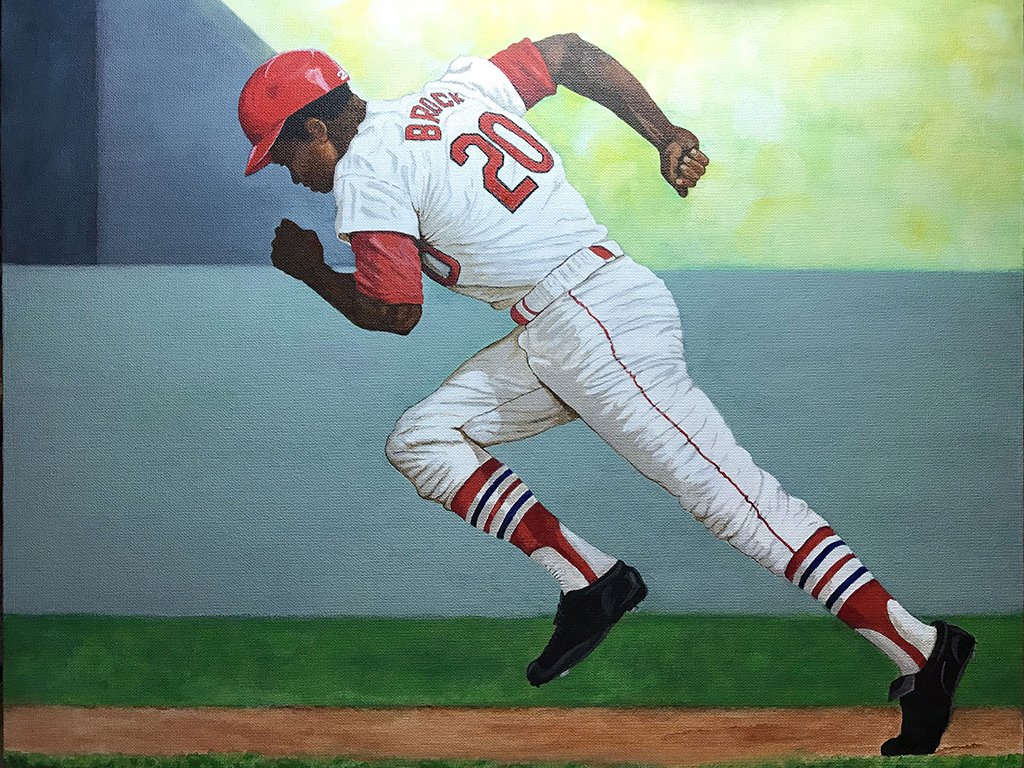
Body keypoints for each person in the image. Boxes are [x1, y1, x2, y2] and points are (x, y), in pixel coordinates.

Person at [238, 34, 974, 755]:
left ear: (316, 129)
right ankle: (591, 582)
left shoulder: (367, 168)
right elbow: (569, 53)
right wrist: (664, 133)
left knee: (734, 501)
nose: (288, 171)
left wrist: (313, 272)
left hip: (593, 327)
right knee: (423, 440)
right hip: (570, 320)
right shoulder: (453, 89)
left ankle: (920, 646)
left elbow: (395, 310)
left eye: (283, 152)